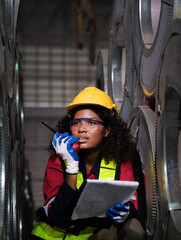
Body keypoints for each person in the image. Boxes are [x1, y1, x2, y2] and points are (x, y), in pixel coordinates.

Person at [31, 87, 146, 240]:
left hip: (94, 235)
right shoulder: (58, 160)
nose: (81, 130)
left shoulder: (121, 159)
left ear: (107, 130)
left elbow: (131, 198)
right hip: (54, 236)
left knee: (134, 228)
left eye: (91, 123)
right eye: (76, 123)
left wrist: (126, 211)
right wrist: (71, 166)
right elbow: (57, 215)